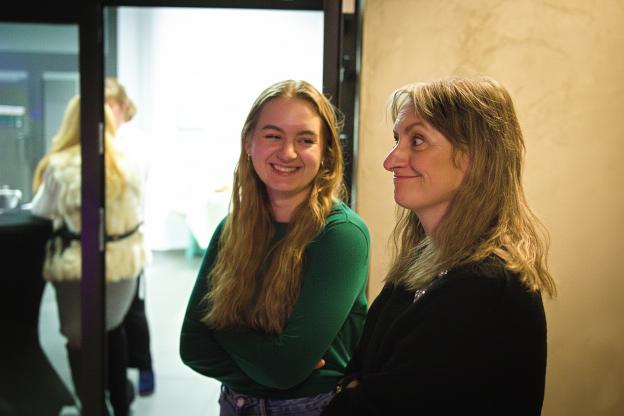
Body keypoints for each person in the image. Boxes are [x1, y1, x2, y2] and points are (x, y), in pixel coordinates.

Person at [321, 76, 557, 415]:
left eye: (417, 140)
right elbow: (357, 374)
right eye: (397, 139)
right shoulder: (421, 263)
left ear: (475, 157)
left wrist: (351, 393)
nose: (391, 160)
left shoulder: (485, 288)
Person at [179, 79, 370, 416]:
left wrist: (222, 329)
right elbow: (192, 346)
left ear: (326, 152)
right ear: (248, 143)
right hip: (234, 404)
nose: (288, 152)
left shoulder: (341, 236)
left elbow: (284, 369)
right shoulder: (231, 229)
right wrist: (272, 364)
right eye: (273, 136)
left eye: (305, 140)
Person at [31, 95, 149, 416]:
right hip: (124, 266)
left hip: (79, 268)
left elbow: (41, 212)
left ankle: (93, 407)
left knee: (78, 338)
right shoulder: (129, 163)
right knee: (112, 328)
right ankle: (122, 405)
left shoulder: (60, 166)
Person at [105, 77, 156, 396]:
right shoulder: (100, 138)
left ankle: (145, 366)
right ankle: (116, 376)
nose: (104, 112)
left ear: (123, 106)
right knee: (109, 317)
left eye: (109, 105)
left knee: (133, 310)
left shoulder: (133, 141)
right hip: (104, 240)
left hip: (127, 238)